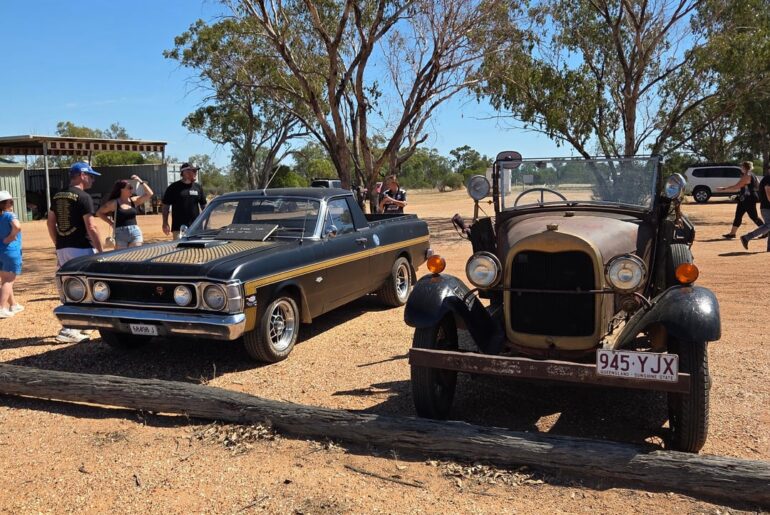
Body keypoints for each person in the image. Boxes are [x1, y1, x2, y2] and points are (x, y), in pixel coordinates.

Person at [47, 161, 103, 343]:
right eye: (91, 176)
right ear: (82, 175)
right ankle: (69, 328)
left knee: (69, 285)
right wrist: (100, 251)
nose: (92, 180)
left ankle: (76, 325)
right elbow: (91, 226)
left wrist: (58, 243)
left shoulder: (57, 196)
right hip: (81, 246)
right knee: (82, 285)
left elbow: (50, 222)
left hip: (63, 246)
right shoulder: (84, 197)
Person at [96, 174, 154, 249]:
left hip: (135, 232)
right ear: (121, 189)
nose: (131, 190)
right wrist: (111, 223)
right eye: (129, 188)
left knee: (135, 256)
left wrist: (140, 181)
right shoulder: (114, 203)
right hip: (120, 234)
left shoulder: (134, 201)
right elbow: (99, 213)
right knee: (123, 258)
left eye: (132, 188)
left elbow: (150, 194)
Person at [717, 161, 763, 239]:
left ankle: (765, 230)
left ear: (745, 167)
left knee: (753, 216)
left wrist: (724, 189)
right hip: (744, 198)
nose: (741, 168)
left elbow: (736, 186)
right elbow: (758, 186)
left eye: (741, 166)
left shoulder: (747, 175)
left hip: (748, 199)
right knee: (738, 215)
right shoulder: (752, 175)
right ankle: (732, 233)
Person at [162, 162, 206, 239]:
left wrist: (207, 222)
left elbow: (204, 207)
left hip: (196, 228)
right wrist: (165, 223)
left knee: (198, 250)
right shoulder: (173, 188)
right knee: (180, 250)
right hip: (179, 229)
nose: (195, 173)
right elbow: (166, 206)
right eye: (194, 171)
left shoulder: (198, 187)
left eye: (196, 171)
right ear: (185, 172)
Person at [0, 191, 23, 319]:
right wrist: (12, 236)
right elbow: (17, 226)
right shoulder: (9, 215)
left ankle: (13, 305)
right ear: (4, 204)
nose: (12, 203)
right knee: (9, 280)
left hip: (0, 250)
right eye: (10, 201)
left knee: (5, 279)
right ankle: (1, 307)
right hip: (10, 250)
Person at [740, 167, 770, 251]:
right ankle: (747, 237)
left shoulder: (766, 178)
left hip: (765, 206)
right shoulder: (768, 179)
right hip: (767, 207)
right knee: (769, 225)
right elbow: (768, 193)